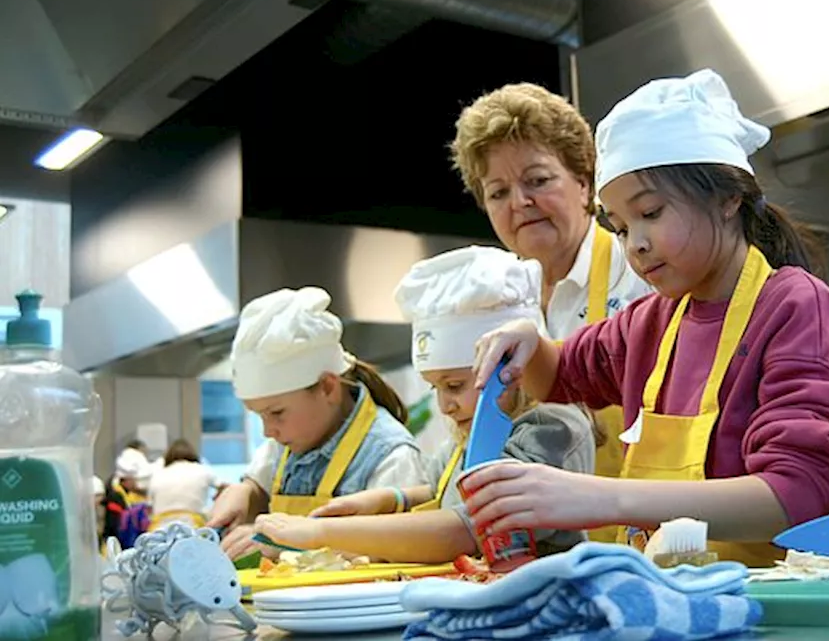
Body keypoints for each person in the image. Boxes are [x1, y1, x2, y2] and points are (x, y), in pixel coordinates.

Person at [467, 69, 829, 568]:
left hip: (771, 599)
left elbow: (795, 494)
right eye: (619, 227)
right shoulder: (650, 323)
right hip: (673, 599)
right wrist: (528, 341)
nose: (635, 243)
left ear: (729, 197)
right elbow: (561, 375)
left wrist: (598, 498)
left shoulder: (796, 309)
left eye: (651, 212)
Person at [253, 247, 597, 562]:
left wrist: (321, 533)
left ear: (512, 367)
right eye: (435, 388)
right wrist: (388, 500)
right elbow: (439, 490)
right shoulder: (466, 435)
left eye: (454, 385)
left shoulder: (550, 428)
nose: (444, 405)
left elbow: (466, 527)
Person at [451, 82, 652, 544]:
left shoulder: (640, 272)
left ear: (585, 184)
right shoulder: (499, 298)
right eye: (498, 192)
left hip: (640, 540)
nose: (520, 202)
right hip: (541, 547)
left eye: (538, 181)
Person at [206, 287, 427, 559]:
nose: (268, 431)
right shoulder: (288, 441)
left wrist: (284, 545)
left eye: (276, 413)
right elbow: (258, 488)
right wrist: (243, 494)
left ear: (327, 387)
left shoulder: (390, 455)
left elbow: (397, 551)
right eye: (259, 415)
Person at [147, 439, 227, 530]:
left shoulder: (158, 474)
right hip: (193, 524)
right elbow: (225, 487)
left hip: (160, 525)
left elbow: (150, 506)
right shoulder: (202, 470)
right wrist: (216, 500)